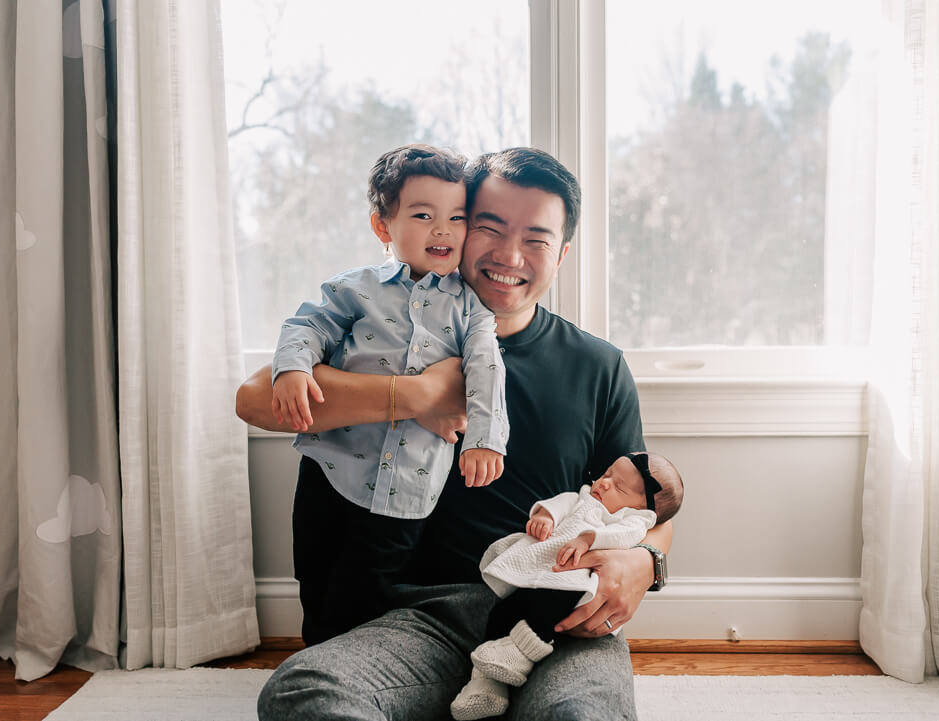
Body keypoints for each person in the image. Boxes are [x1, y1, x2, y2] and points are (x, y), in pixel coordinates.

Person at [237, 147, 673, 721]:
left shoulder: (598, 365)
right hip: (416, 619)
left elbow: (650, 510)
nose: (510, 255)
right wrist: (415, 395)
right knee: (305, 693)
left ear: (562, 254)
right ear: (456, 227)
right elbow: (254, 399)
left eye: (536, 239)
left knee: (582, 714)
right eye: (488, 227)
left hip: (550, 608)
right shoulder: (389, 328)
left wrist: (644, 564)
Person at [270, 144, 508, 641]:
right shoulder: (355, 289)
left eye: (457, 218)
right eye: (423, 215)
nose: (442, 230)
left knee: (367, 594)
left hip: (407, 485)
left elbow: (487, 371)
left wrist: (486, 439)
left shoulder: (472, 311)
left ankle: (353, 671)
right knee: (315, 577)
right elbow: (306, 327)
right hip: (331, 468)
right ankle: (316, 666)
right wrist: (292, 369)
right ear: (384, 227)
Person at [451, 452, 683, 720]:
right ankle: (484, 683)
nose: (604, 483)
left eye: (618, 486)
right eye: (607, 474)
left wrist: (588, 539)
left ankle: (520, 652)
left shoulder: (632, 519)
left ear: (644, 509)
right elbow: (560, 504)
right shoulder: (584, 496)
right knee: (502, 614)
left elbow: (625, 535)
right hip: (539, 572)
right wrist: (545, 517)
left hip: (575, 583)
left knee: (558, 604)